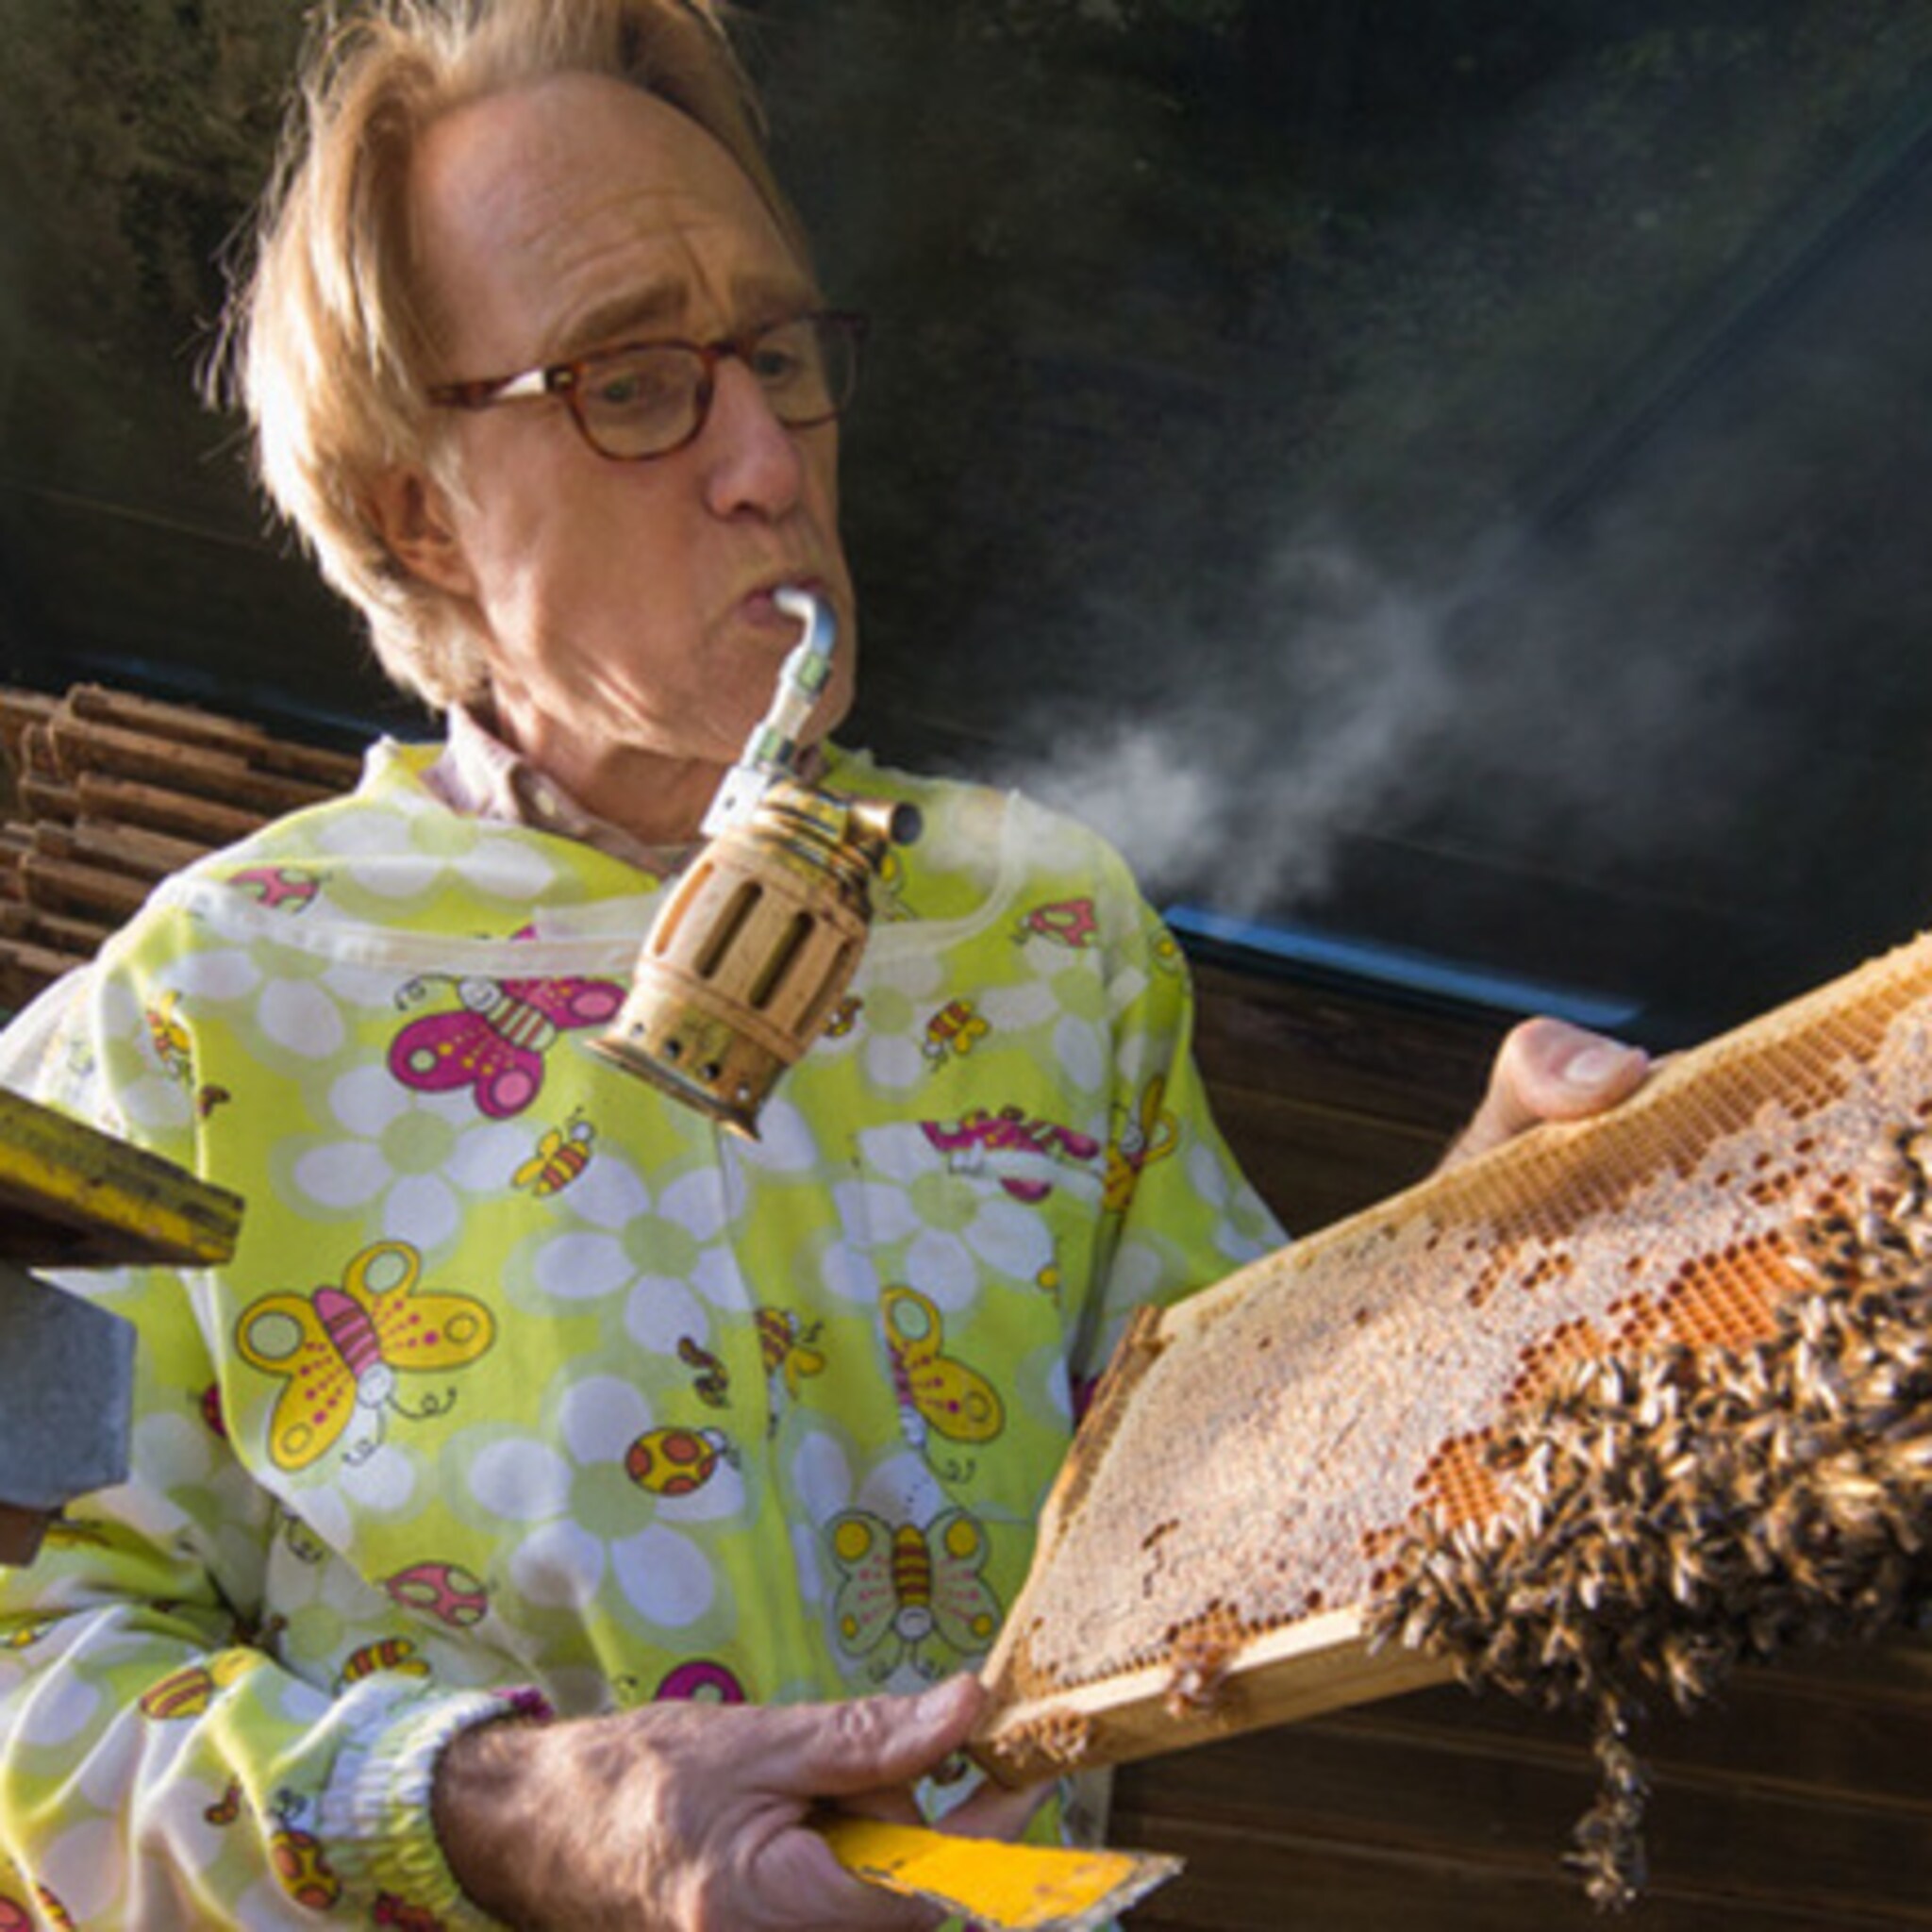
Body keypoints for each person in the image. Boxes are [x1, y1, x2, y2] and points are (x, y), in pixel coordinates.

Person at [0, 3, 1650, 1926]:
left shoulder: (1044, 933)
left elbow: (1219, 1523)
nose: (766, 458)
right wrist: (525, 1815)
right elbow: (25, 1691)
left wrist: (1484, 1246)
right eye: (633, 384)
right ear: (414, 510)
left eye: (777, 358)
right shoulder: (204, 1002)